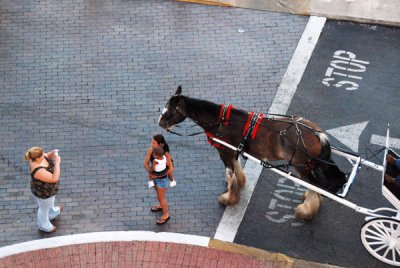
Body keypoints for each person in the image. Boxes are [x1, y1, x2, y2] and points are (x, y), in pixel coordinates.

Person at [25, 147, 62, 233]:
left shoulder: (40, 157)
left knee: (50, 202)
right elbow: (54, 178)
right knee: (43, 208)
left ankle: (51, 212)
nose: (44, 154)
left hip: (49, 190)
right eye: (41, 154)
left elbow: (47, 155)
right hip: (43, 192)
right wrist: (57, 163)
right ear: (36, 158)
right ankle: (43, 225)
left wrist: (51, 154)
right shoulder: (38, 170)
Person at [143, 134, 175, 225]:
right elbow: (145, 163)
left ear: (160, 144)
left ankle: (165, 214)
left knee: (161, 197)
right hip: (155, 178)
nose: (151, 144)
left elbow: (171, 169)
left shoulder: (166, 154)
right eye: (151, 142)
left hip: (162, 179)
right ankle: (161, 205)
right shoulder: (150, 151)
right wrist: (151, 172)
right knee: (158, 195)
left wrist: (157, 176)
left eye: (154, 143)